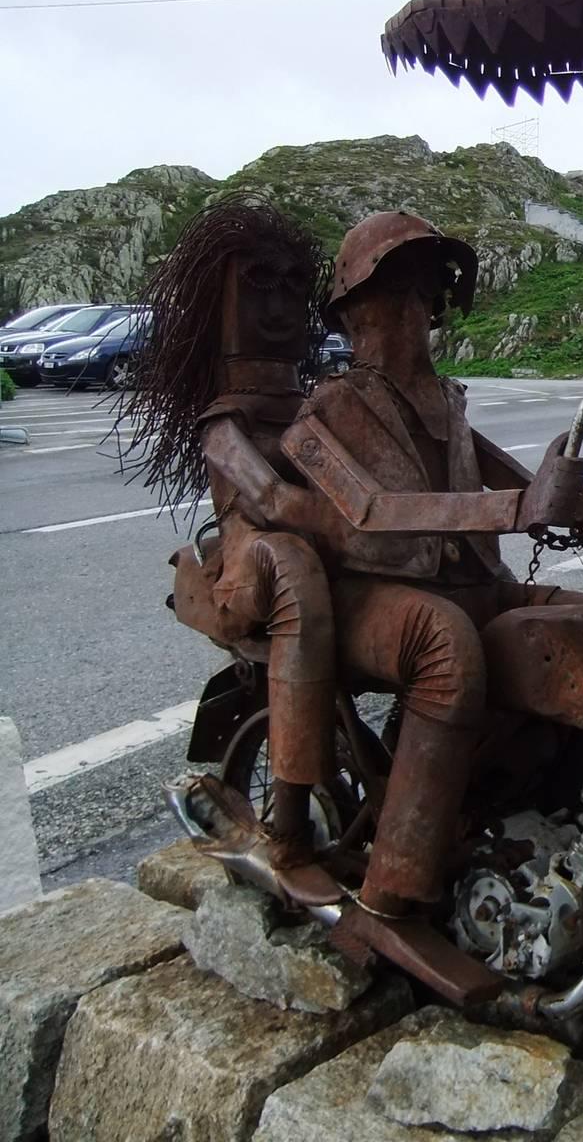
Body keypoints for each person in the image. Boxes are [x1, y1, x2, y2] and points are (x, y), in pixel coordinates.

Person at [283, 211, 583, 929]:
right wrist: (517, 507)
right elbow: (368, 509)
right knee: (445, 646)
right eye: (395, 291)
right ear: (354, 312)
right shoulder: (328, 410)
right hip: (373, 595)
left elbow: (511, 481)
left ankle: (541, 822)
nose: (413, 309)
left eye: (422, 292)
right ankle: (389, 894)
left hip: (474, 583)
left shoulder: (450, 401)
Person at [118, 194, 342, 904]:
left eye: (290, 288)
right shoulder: (226, 419)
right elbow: (268, 496)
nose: (278, 307)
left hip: (332, 539)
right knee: (297, 579)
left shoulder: (317, 400)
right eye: (257, 287)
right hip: (257, 558)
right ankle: (290, 829)